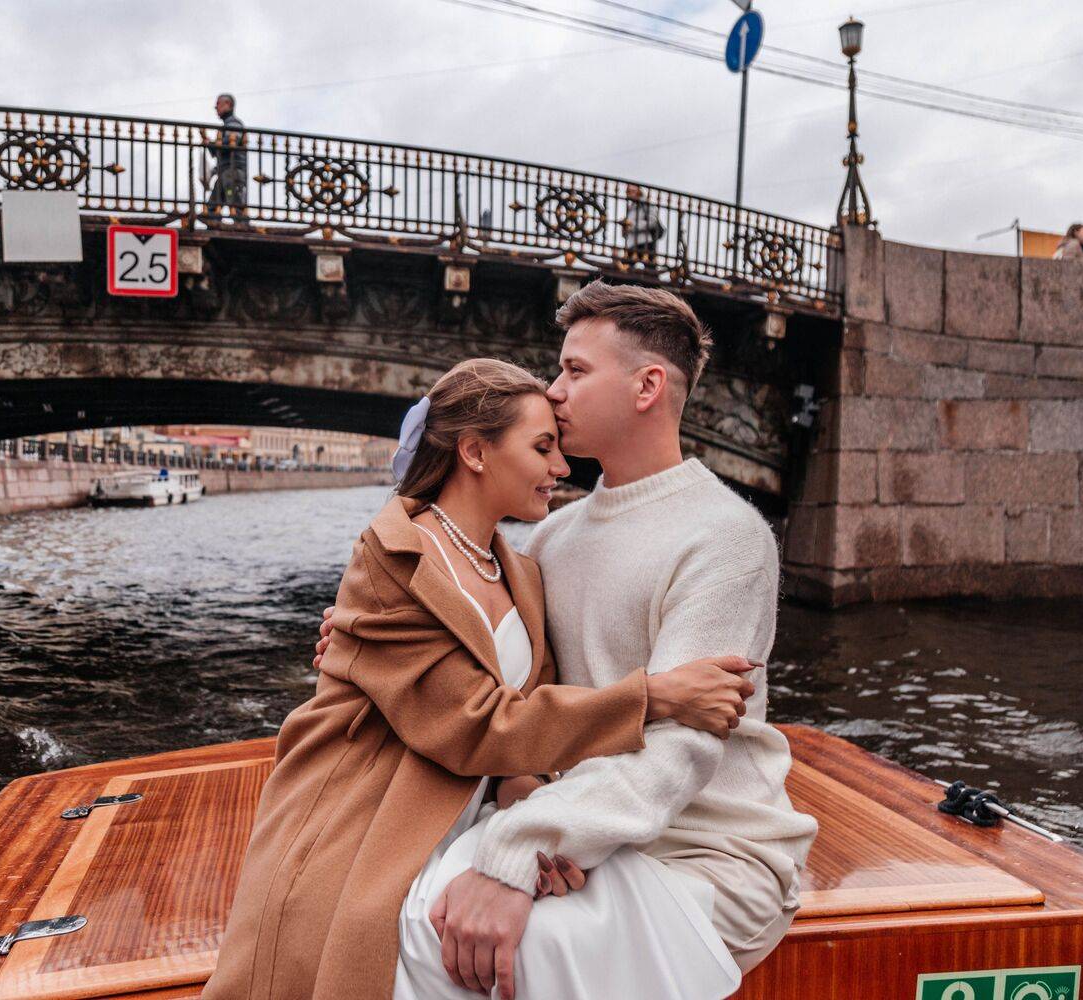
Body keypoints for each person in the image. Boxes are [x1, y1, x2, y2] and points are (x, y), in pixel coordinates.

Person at [318, 282, 819, 999]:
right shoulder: (552, 537)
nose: (553, 392)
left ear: (647, 386)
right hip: (575, 829)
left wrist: (519, 847)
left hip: (703, 850)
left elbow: (679, 752)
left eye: (575, 371)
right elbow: (502, 672)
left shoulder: (727, 538)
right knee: (394, 915)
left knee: (448, 947)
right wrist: (366, 642)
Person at [203, 358, 760, 1000]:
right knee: (485, 945)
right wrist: (653, 695)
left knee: (580, 915)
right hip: (373, 816)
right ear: (474, 452)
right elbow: (474, 723)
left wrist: (533, 804)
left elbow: (532, 706)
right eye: (542, 448)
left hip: (474, 808)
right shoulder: (393, 555)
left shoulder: (524, 568)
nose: (561, 467)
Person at [206, 92, 248, 220]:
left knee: (236, 208)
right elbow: (220, 150)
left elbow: (229, 144)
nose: (216, 107)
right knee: (212, 209)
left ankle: (241, 230)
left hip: (232, 172)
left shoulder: (234, 123)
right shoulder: (228, 124)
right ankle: (215, 229)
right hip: (226, 172)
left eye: (218, 104)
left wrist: (211, 144)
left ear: (228, 104)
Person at [622, 183, 664, 267]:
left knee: (650, 269)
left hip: (645, 242)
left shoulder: (646, 204)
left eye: (633, 191)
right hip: (632, 243)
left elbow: (652, 221)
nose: (630, 194)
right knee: (624, 269)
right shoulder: (631, 207)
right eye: (628, 191)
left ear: (639, 192)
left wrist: (632, 225)